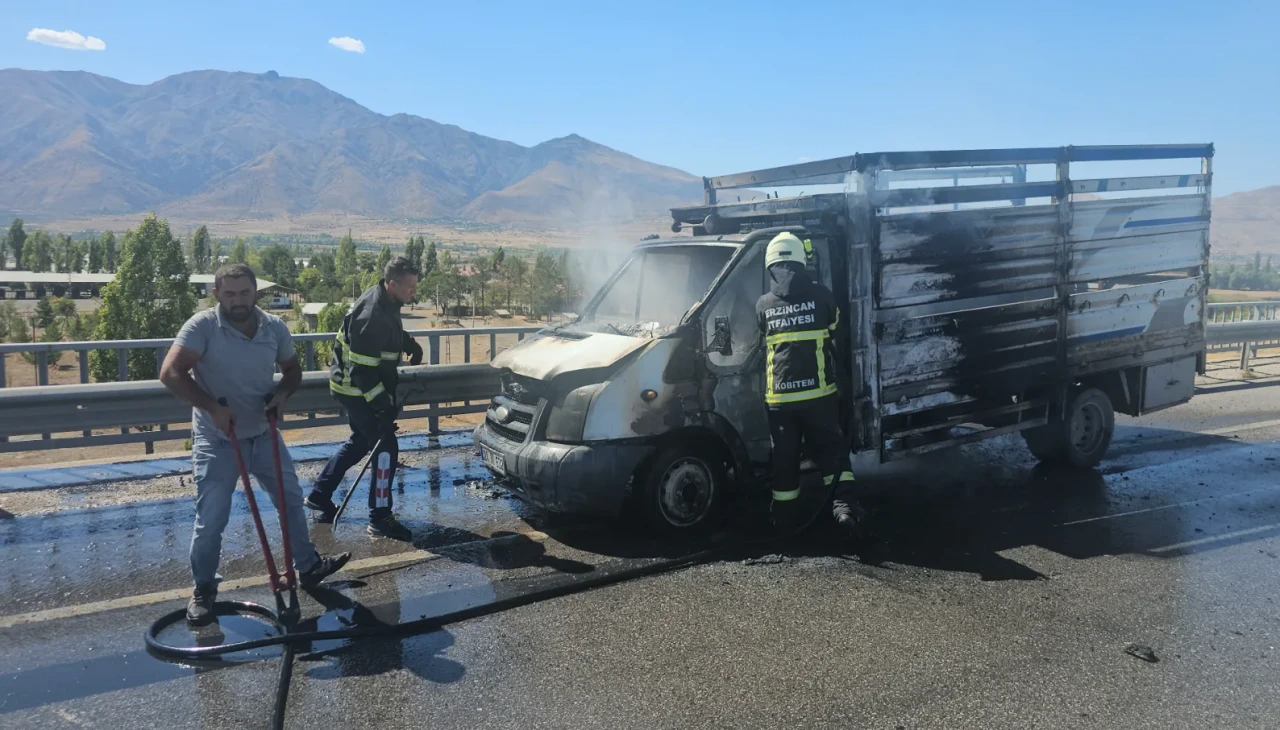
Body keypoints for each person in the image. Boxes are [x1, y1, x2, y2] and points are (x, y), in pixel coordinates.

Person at [160, 263, 351, 625]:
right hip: (218, 439)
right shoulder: (202, 327)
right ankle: (203, 590)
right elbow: (170, 372)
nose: (237, 301)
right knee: (212, 520)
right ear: (216, 295)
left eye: (244, 293)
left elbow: (292, 371)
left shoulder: (273, 327)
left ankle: (307, 567)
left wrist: (281, 395)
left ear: (255, 293)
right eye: (229, 294)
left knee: (292, 503)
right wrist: (212, 408)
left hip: (264, 433)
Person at [755, 232, 866, 535]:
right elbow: (836, 331)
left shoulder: (763, 305)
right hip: (819, 396)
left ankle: (784, 520)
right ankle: (844, 510)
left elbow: (761, 336)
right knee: (832, 453)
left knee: (785, 458)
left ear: (771, 266)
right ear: (802, 262)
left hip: (779, 401)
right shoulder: (823, 296)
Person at [305, 256, 423, 540]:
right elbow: (362, 374)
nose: (413, 292)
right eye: (409, 287)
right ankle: (380, 517)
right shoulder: (371, 313)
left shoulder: (387, 299)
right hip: (355, 389)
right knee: (385, 447)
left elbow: (387, 332)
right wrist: (382, 409)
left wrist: (407, 342)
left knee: (360, 442)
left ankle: (320, 495)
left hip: (359, 386)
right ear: (392, 284)